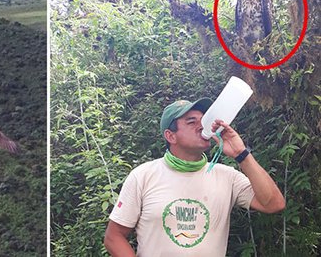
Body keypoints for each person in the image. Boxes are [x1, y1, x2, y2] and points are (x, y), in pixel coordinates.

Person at [104, 99, 285, 256]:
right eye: (191, 122)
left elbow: (274, 204)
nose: (202, 126)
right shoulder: (143, 176)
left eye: (204, 120)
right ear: (171, 136)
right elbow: (114, 237)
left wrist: (241, 153)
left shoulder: (227, 177)